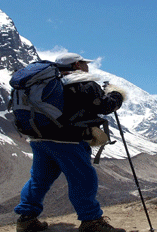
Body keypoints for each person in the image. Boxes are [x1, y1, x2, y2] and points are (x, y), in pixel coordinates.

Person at [14, 53, 127, 232]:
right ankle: (91, 221)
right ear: (77, 65)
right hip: (68, 140)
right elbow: (104, 106)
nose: (87, 66)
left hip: (39, 137)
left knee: (39, 179)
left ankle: (26, 219)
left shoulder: (48, 83)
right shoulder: (82, 82)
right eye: (84, 63)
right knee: (83, 179)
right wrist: (117, 95)